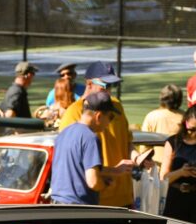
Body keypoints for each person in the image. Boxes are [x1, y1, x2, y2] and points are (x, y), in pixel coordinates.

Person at [58, 61, 142, 208]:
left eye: (112, 86)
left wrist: (137, 157)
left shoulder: (117, 107)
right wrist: (106, 176)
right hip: (96, 201)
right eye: (105, 86)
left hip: (124, 198)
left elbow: (126, 142)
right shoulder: (73, 114)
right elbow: (72, 166)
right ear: (89, 84)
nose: (109, 91)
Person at [51, 91, 133, 205]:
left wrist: (115, 170)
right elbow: (93, 182)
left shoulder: (64, 133)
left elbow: (81, 168)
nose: (109, 123)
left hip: (57, 204)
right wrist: (104, 184)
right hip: (78, 209)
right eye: (110, 117)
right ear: (98, 116)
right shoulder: (90, 138)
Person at [141, 84, 184, 165]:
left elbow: (144, 146)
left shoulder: (152, 116)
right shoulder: (185, 117)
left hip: (156, 166)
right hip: (179, 167)